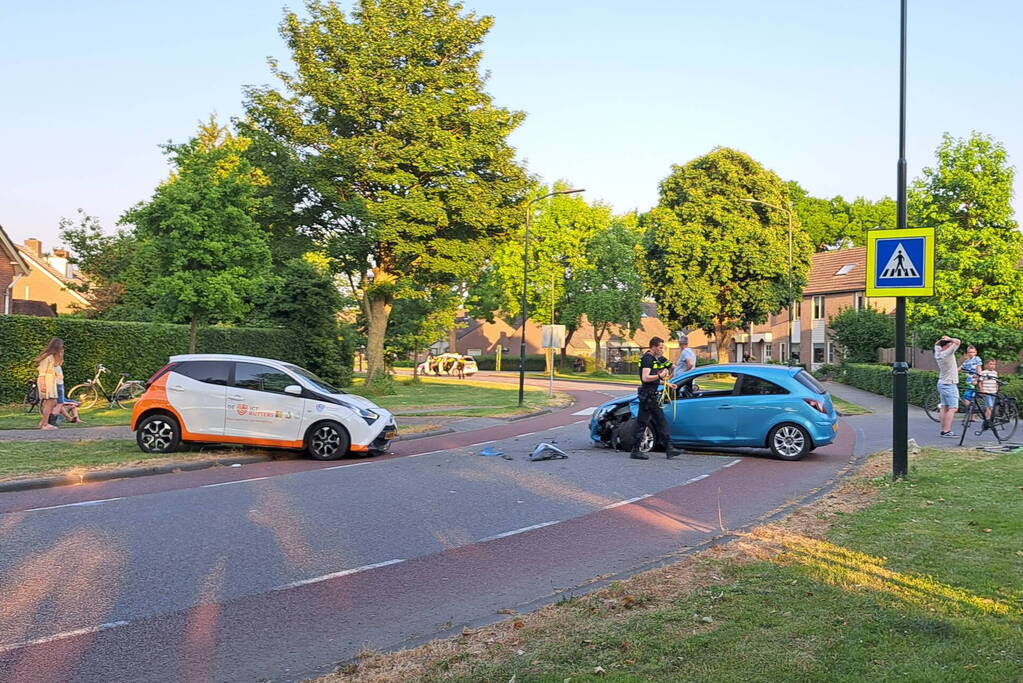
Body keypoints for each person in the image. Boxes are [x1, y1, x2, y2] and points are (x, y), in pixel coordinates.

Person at [631, 337, 681, 460]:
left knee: (653, 422)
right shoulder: (647, 359)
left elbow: (652, 381)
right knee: (651, 422)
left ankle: (668, 449)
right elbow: (645, 378)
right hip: (648, 396)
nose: (661, 350)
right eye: (660, 347)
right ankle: (637, 450)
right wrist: (660, 375)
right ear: (653, 347)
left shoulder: (652, 359)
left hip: (649, 395)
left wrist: (667, 384)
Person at [934, 335, 962, 437]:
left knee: (944, 407)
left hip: (942, 383)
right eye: (949, 344)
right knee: (953, 408)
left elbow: (936, 344)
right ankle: (947, 431)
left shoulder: (938, 353)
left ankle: (943, 430)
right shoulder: (948, 353)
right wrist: (949, 339)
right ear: (947, 346)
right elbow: (958, 341)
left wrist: (942, 340)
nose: (951, 345)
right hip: (950, 384)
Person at [35, 338, 63, 430]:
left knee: (52, 402)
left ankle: (43, 422)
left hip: (51, 381)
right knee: (49, 403)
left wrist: (61, 355)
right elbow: (42, 372)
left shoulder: (52, 356)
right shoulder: (46, 357)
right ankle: (45, 424)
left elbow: (57, 364)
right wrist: (43, 385)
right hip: (46, 381)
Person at [977, 359, 1000, 425]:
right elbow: (980, 382)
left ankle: (987, 420)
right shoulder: (983, 372)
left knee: (989, 407)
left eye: (994, 364)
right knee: (990, 406)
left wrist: (997, 388)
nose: (992, 366)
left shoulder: (995, 373)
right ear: (987, 365)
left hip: (994, 392)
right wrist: (981, 389)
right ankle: (988, 420)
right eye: (991, 364)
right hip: (987, 392)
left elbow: (996, 382)